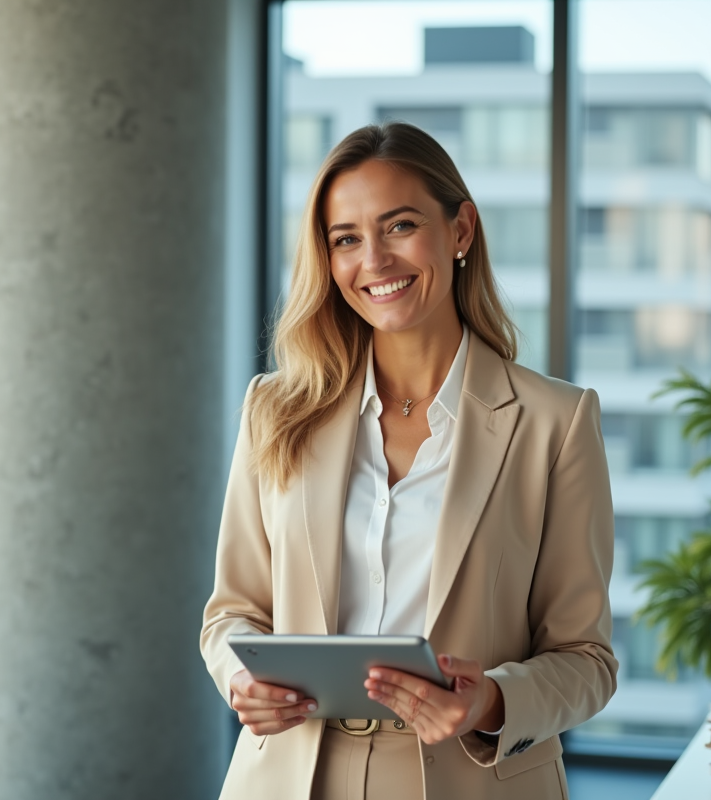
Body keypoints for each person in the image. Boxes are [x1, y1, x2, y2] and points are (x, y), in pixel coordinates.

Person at [200, 121, 617, 800]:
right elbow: (231, 613)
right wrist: (241, 678)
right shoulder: (275, 409)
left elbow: (587, 660)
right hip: (290, 777)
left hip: (473, 779)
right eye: (346, 240)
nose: (374, 261)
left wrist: (489, 702)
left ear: (461, 231)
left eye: (399, 226)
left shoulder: (555, 422)